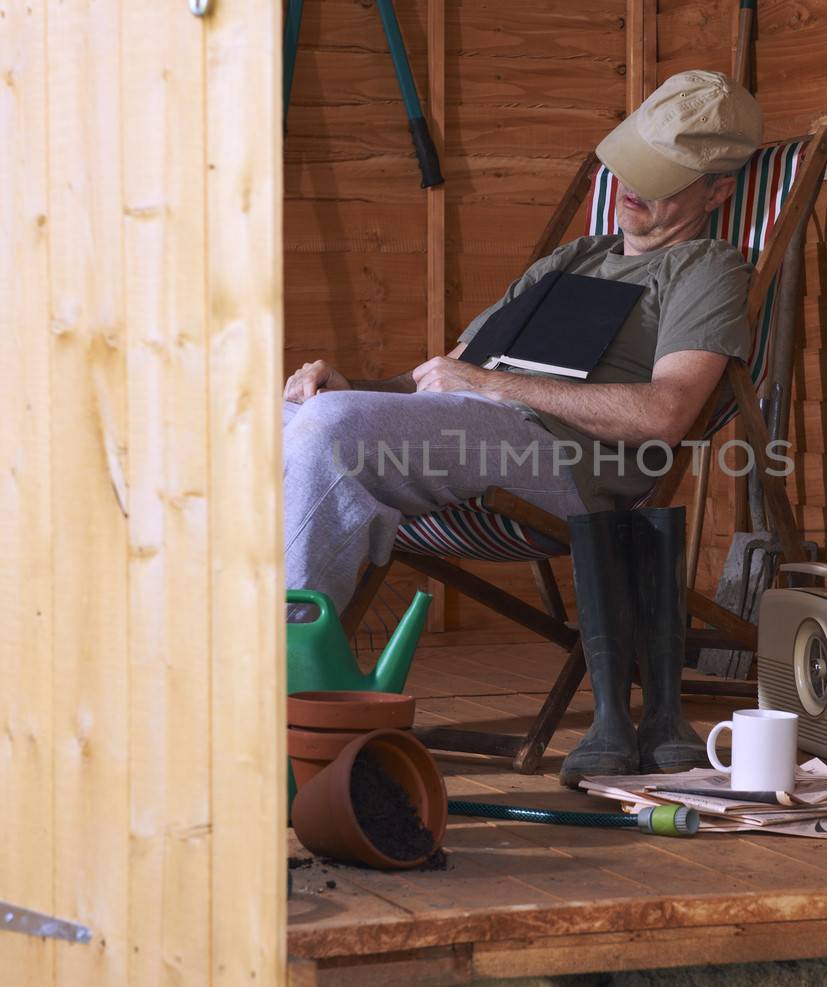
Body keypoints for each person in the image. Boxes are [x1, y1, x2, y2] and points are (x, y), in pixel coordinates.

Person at [284, 69, 763, 784]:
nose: (631, 185)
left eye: (659, 176)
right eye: (631, 161)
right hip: (474, 430)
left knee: (330, 432)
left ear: (717, 191)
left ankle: (282, 689)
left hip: (565, 465)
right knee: (277, 417)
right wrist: (353, 387)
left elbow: (665, 414)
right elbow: (445, 374)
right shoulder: (577, 257)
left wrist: (484, 384)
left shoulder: (706, 268)